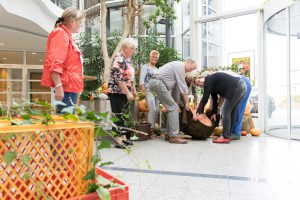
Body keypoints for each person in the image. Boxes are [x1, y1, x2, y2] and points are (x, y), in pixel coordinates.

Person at [41, 7, 85, 113]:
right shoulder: (60, 34)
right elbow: (55, 62)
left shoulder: (67, 35)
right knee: (66, 121)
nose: (81, 25)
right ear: (72, 21)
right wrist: (59, 86)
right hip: (66, 86)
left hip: (70, 85)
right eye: (80, 22)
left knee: (68, 121)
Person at [149, 59, 197, 144]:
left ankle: (169, 134)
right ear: (188, 62)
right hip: (158, 82)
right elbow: (183, 87)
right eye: (192, 68)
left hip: (157, 83)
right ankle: (173, 136)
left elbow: (176, 89)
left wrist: (177, 103)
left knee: (173, 107)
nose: (191, 70)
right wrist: (187, 103)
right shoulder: (180, 66)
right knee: (173, 108)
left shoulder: (178, 68)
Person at [193, 71, 246, 143]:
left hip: (236, 87)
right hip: (241, 85)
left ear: (202, 77)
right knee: (232, 111)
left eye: (198, 80)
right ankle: (229, 134)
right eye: (198, 84)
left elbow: (205, 97)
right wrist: (214, 113)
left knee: (225, 110)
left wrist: (198, 112)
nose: (199, 83)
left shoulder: (208, 80)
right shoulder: (211, 84)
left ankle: (225, 136)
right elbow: (215, 99)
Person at [107, 37, 138, 148]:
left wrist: (133, 89)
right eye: (133, 49)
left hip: (124, 92)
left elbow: (130, 76)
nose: (134, 51)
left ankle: (123, 138)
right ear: (125, 48)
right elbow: (119, 78)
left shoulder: (127, 59)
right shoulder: (119, 59)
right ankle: (118, 139)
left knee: (123, 115)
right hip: (117, 92)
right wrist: (127, 92)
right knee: (118, 115)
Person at [139, 50, 160, 131]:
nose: (154, 58)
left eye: (156, 57)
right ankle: (150, 130)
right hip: (149, 90)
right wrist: (144, 91)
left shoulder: (157, 69)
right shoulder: (145, 67)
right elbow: (141, 80)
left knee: (157, 110)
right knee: (152, 109)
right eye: (153, 56)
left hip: (157, 91)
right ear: (150, 57)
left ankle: (153, 127)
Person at [230, 66, 252, 140]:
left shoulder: (214, 80)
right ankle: (233, 132)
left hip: (243, 83)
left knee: (238, 109)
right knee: (236, 108)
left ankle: (236, 133)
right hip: (242, 83)